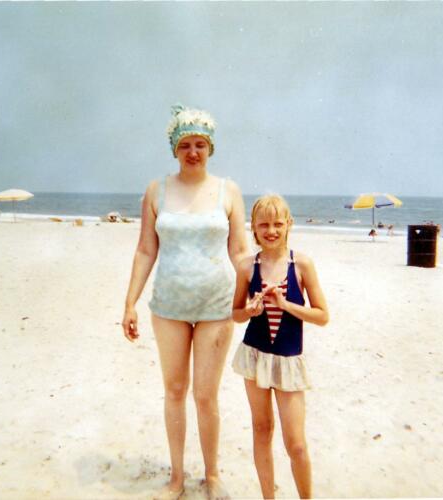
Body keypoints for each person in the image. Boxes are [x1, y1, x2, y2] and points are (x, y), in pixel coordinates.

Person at [122, 104, 248, 500]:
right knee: (174, 390)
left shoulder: (228, 191)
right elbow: (145, 250)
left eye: (200, 145)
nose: (193, 152)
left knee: (206, 395)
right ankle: (176, 478)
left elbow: (240, 250)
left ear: (210, 148)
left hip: (217, 305)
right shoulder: (156, 190)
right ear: (174, 149)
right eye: (185, 145)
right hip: (169, 307)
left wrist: (255, 292)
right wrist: (129, 303)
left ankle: (212, 475)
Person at [232, 195, 329, 499]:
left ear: (289, 224)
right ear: (254, 228)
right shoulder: (247, 266)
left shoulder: (301, 264)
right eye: (264, 225)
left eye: (278, 223)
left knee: (296, 443)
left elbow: (322, 316)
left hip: (289, 360)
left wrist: (286, 304)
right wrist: (250, 310)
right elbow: (235, 314)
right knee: (262, 430)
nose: (271, 230)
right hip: (255, 356)